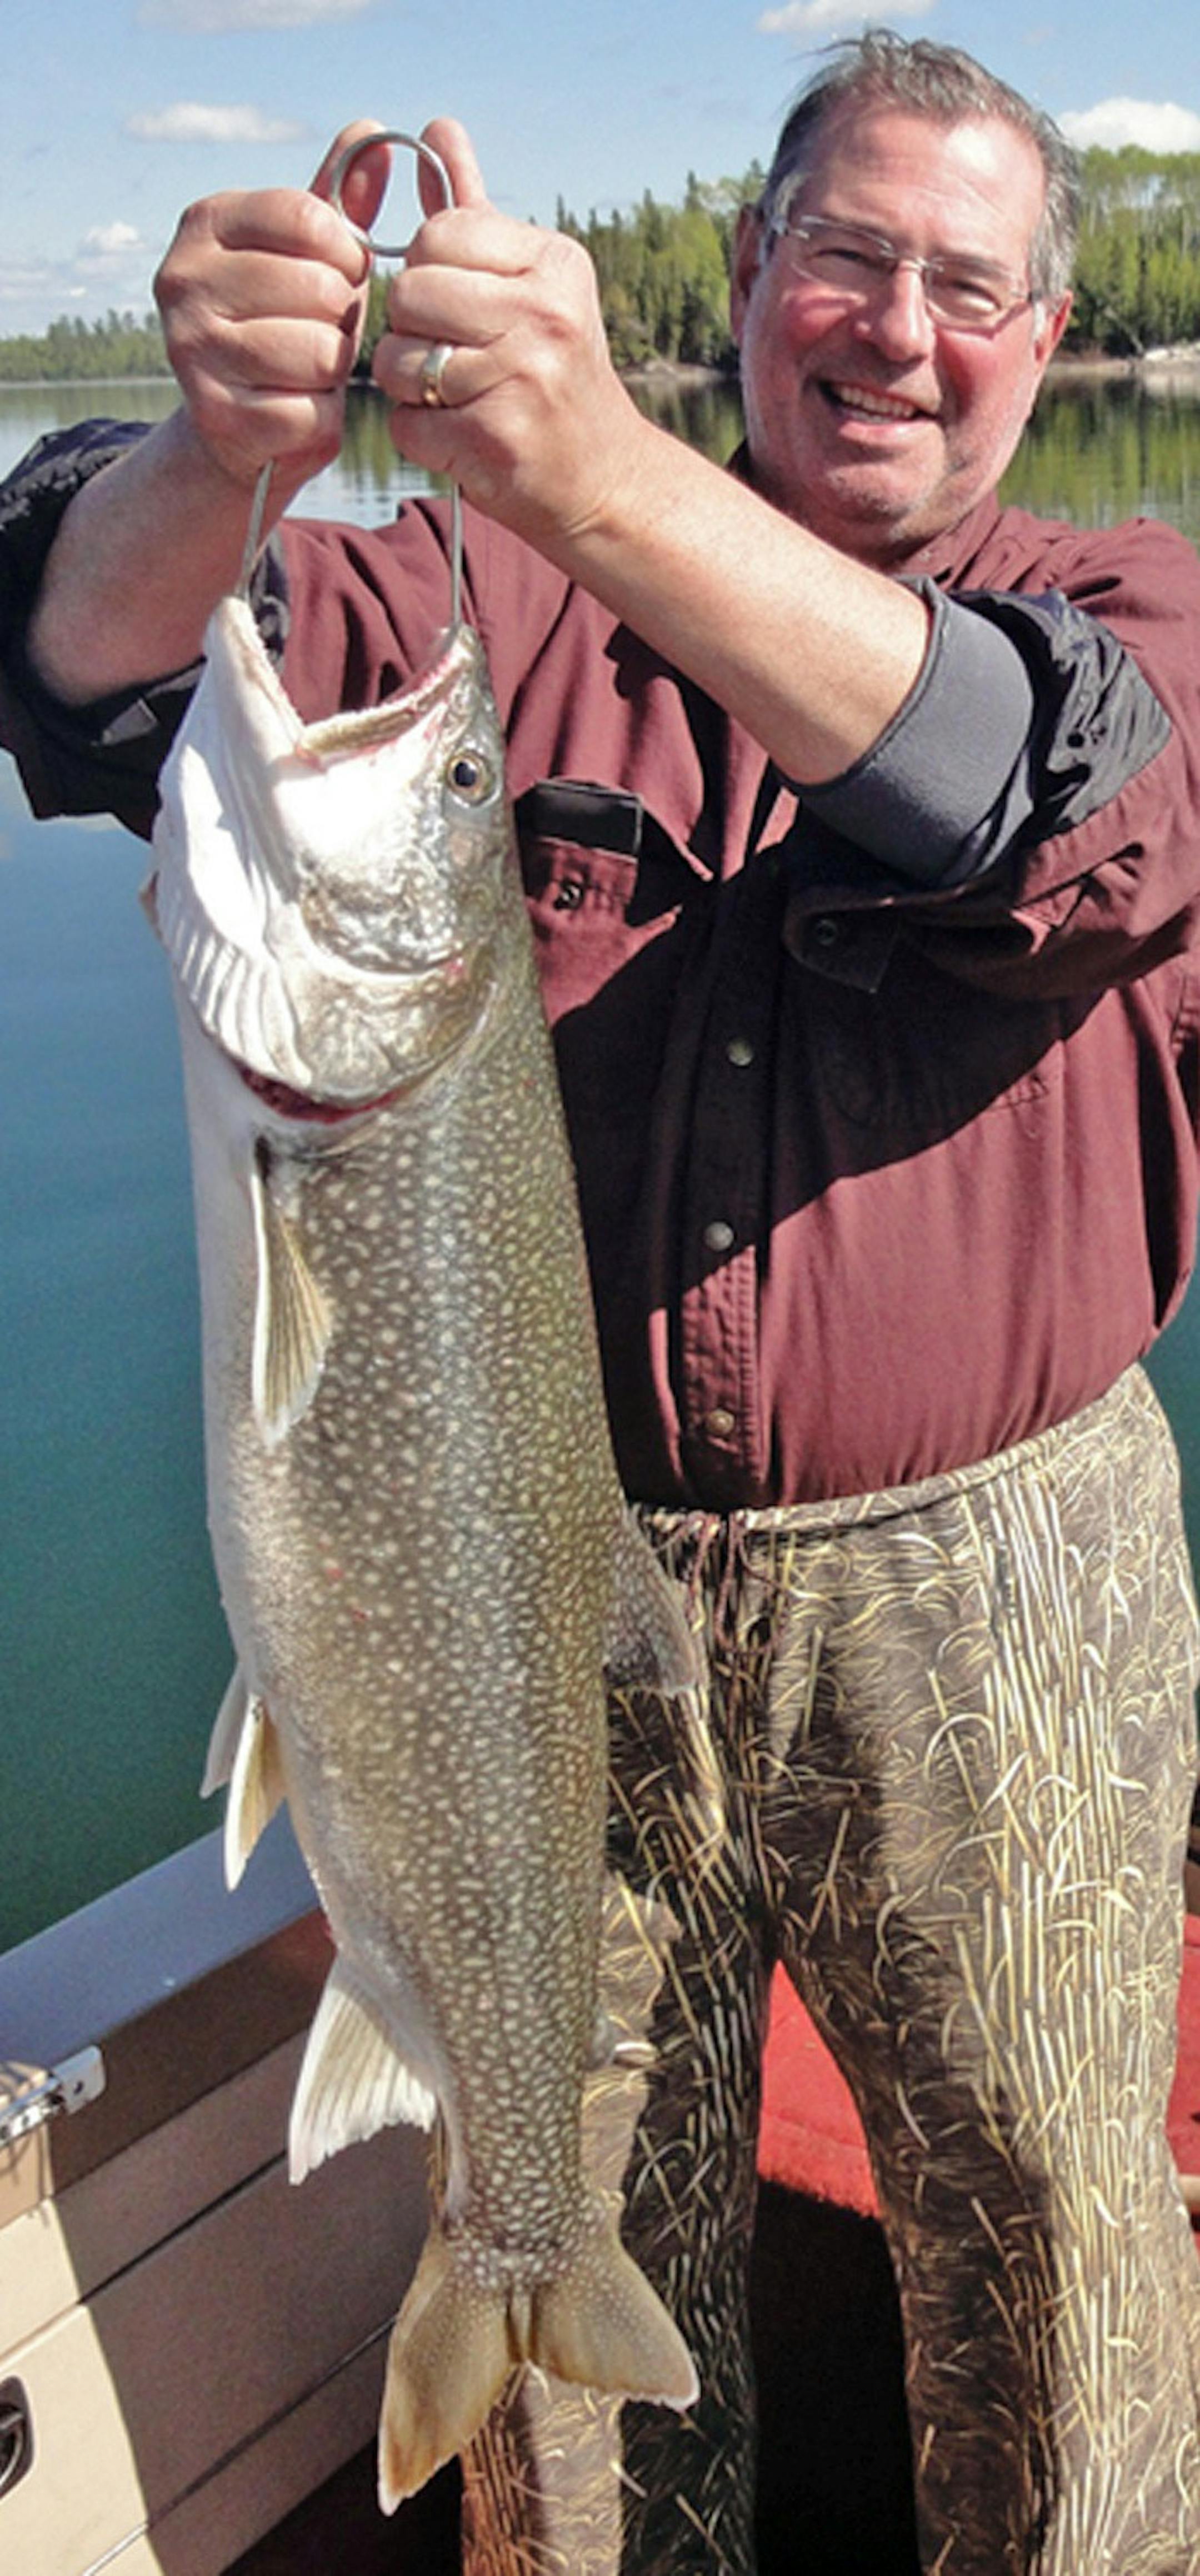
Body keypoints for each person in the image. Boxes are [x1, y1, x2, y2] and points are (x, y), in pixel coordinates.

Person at [4, 28, 1200, 2574]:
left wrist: (588, 465)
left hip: (1004, 1593)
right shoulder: (470, 609)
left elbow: (1026, 798)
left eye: (966, 282)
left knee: (1065, 2262)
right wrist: (213, 447)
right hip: (531, 1573)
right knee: (556, 2257)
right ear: (749, 278)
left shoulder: (1135, 608)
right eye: (847, 254)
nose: (896, 322)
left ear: (1050, 336)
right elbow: (85, 666)